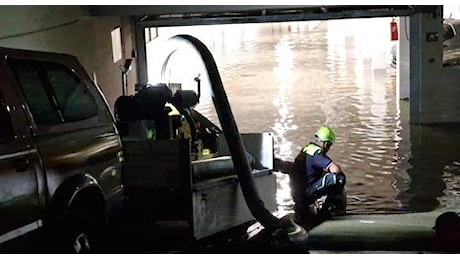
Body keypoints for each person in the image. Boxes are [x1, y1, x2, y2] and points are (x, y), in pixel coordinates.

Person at [291, 126, 346, 221]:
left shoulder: (307, 149)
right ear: (326, 143)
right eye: (329, 145)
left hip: (297, 191)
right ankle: (329, 208)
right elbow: (336, 169)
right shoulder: (317, 153)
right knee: (339, 178)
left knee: (324, 176)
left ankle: (306, 206)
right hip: (307, 191)